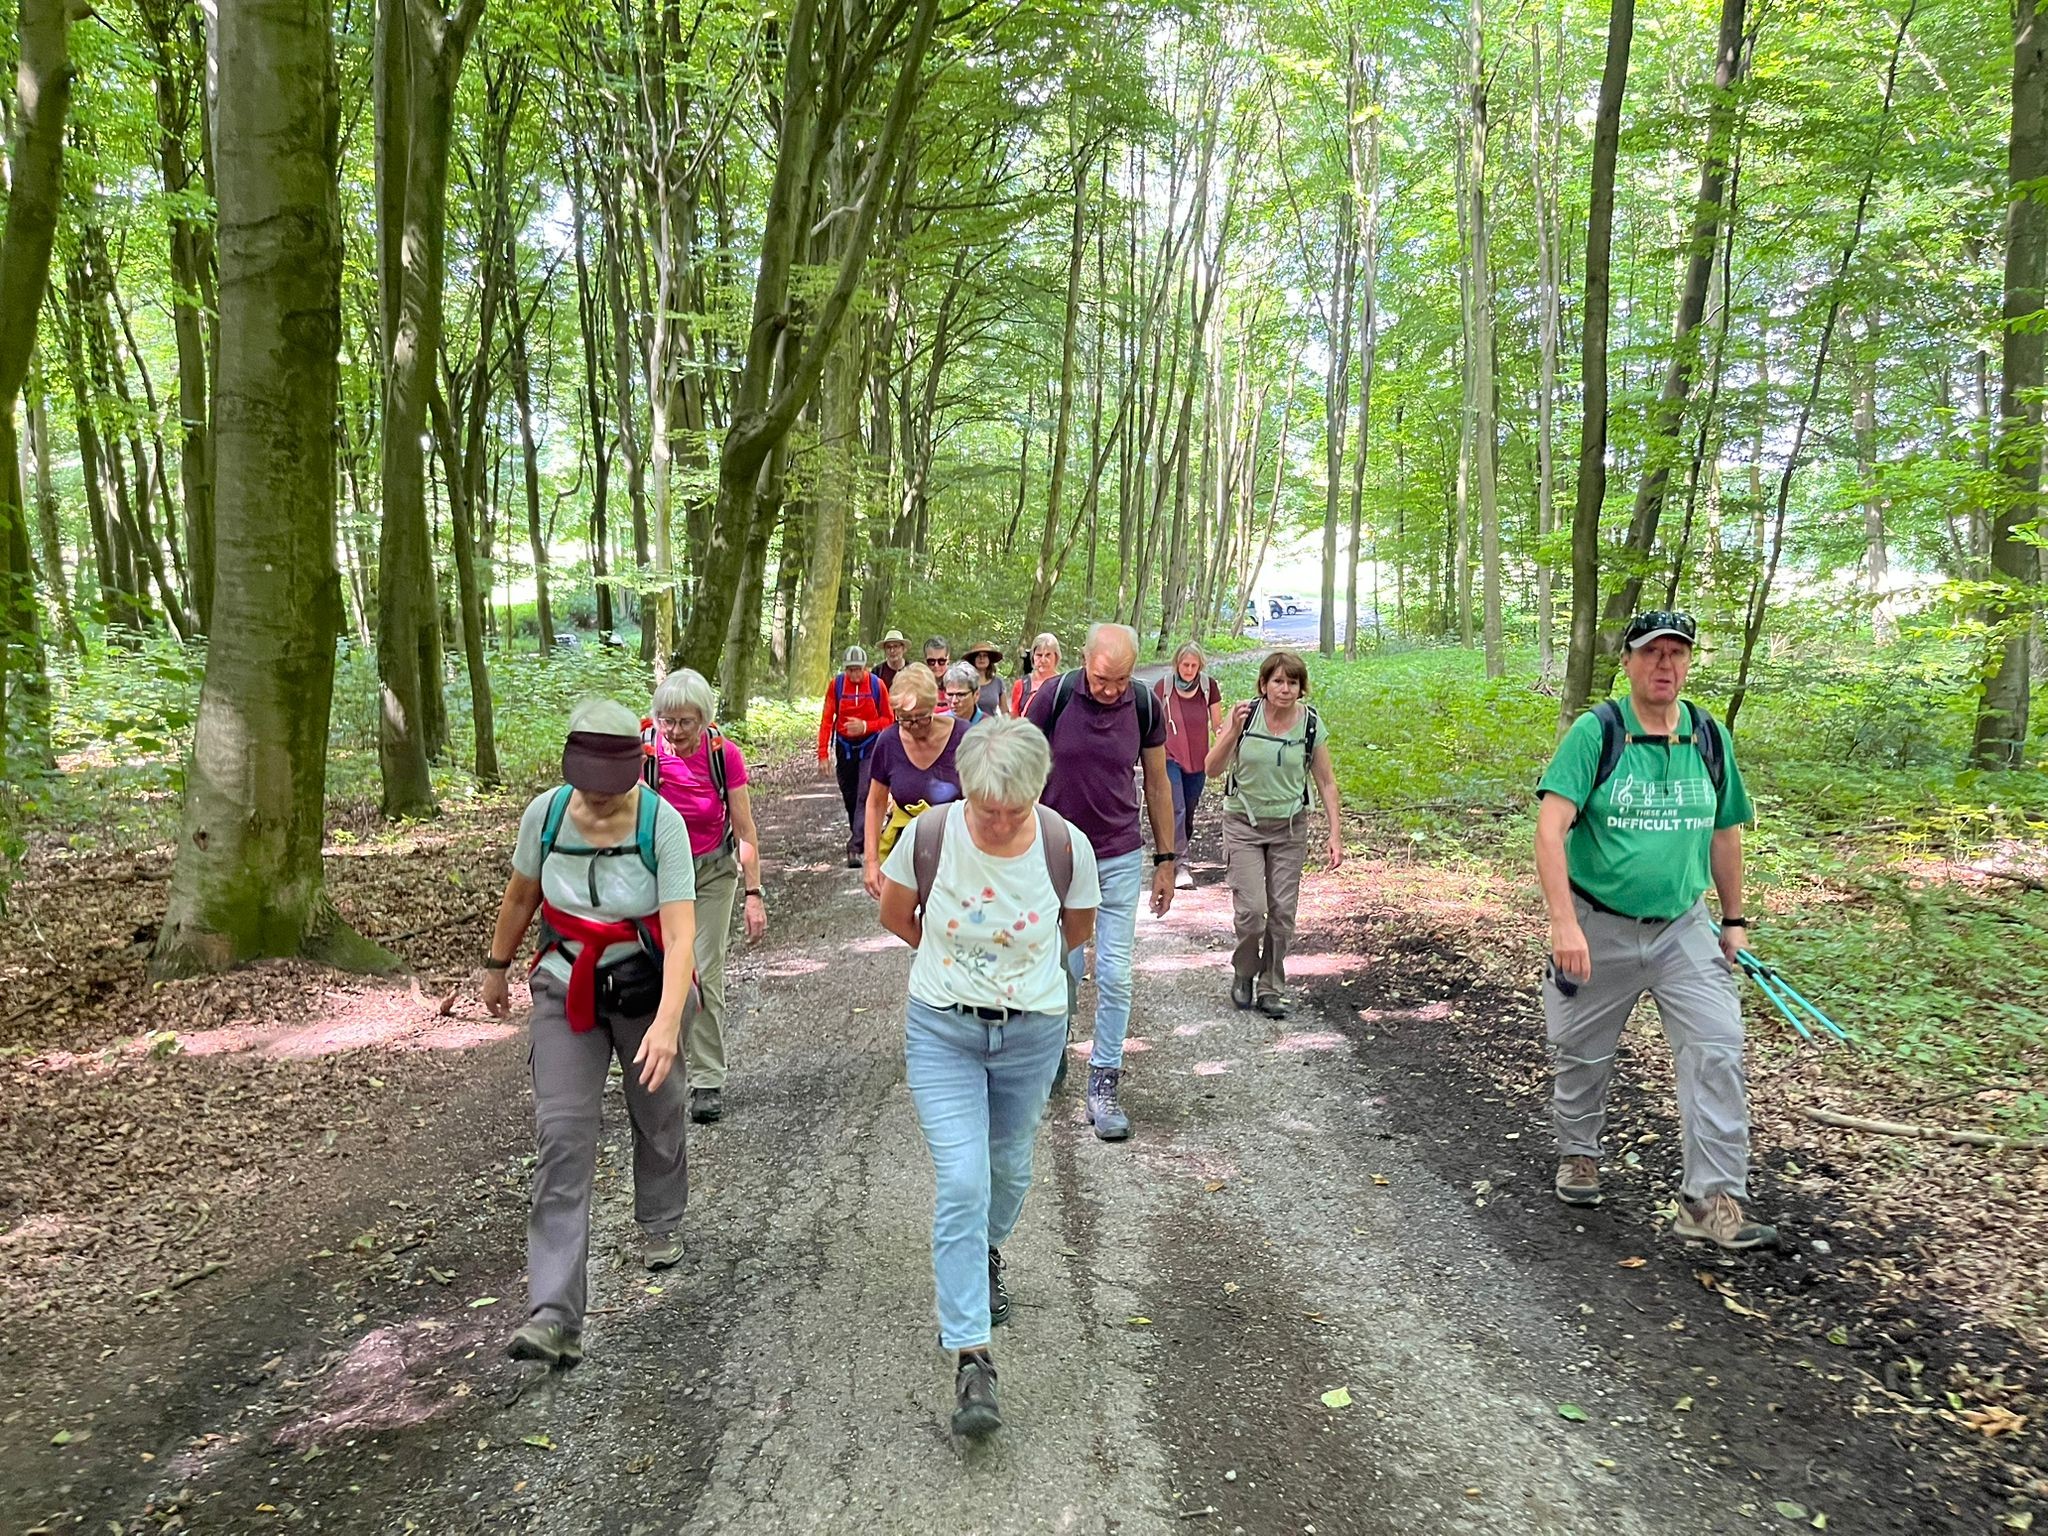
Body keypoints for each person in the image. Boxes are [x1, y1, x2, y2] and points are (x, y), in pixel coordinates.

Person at [877, 717, 1101, 1439]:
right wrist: (951, 968)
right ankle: (973, 1356)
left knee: (1008, 1171)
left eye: (1015, 809)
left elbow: (1076, 929)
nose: (1000, 822)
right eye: (987, 809)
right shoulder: (930, 836)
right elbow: (894, 912)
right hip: (942, 1030)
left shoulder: (1066, 845)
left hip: (1031, 1034)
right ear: (965, 791)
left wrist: (1016, 978)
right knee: (963, 1182)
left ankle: (985, 1248)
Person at [1534, 609, 1775, 1252]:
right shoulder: (1597, 732)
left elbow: (1725, 831)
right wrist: (1564, 923)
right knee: (1581, 1050)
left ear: (1689, 662)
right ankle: (1579, 1152)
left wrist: (1734, 920)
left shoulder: (1708, 735)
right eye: (1651, 652)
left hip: (1683, 928)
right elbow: (1550, 830)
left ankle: (1710, 1200)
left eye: (1677, 653)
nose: (1665, 665)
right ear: (1629, 662)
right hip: (1597, 924)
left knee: (1717, 1045)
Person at [481, 698, 698, 1368]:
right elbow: (522, 895)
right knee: (562, 1136)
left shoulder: (661, 823)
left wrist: (668, 1023)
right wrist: (496, 965)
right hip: (565, 982)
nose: (600, 801)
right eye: (590, 786)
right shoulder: (545, 816)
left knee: (657, 1109)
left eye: (613, 787)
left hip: (646, 982)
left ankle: (659, 1221)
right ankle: (553, 1315)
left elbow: (682, 933)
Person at [1024, 621, 1177, 1140]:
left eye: (1121, 680)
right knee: (1060, 967)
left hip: (1117, 855)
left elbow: (1158, 782)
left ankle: (1104, 1081)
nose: (1111, 690)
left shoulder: (1145, 705)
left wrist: (1166, 858)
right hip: (1055, 854)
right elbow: (1018, 767)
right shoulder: (1055, 696)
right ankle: (1052, 1047)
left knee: (1114, 973)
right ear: (1085, 660)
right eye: (1102, 679)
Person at [648, 668, 767, 1125]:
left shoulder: (723, 755)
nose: (675, 731)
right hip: (660, 878)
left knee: (702, 971)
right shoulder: (646, 755)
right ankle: (659, 1070)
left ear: (704, 719)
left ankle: (707, 1079)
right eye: (667, 721)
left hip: (713, 873)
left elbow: (745, 829)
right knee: (656, 972)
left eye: (685, 722)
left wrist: (753, 894)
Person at [1206, 650, 1344, 1020]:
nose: (1285, 689)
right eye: (1278, 681)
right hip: (1243, 824)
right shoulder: (1244, 716)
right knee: (1252, 911)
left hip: (1289, 827)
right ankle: (1245, 970)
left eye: (1292, 683)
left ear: (1301, 688)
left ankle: (1271, 987)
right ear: (1264, 684)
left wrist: (1335, 834)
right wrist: (1232, 732)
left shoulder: (1310, 724)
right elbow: (1212, 769)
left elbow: (1326, 782)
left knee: (1282, 913)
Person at [862, 664, 970, 899]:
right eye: (904, 719)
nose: (913, 726)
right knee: (901, 916)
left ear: (934, 707)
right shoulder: (888, 742)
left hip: (959, 853)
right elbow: (875, 803)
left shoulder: (965, 738)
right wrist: (871, 861)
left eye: (921, 718)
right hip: (907, 853)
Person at [1154, 641, 1225, 891]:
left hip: (1198, 759)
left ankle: (1173, 852)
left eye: (1194, 666)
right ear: (1177, 663)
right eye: (1185, 665)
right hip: (1170, 756)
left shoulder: (1208, 687)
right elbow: (1153, 724)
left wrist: (1225, 743)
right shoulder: (1163, 687)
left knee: (1188, 810)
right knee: (1177, 808)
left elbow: (1217, 724)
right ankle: (1181, 865)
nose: (1189, 670)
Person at [818, 645, 894, 868]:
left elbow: (888, 720)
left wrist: (865, 726)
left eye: (858, 669)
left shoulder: (877, 685)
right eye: (850, 670)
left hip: (870, 746)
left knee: (864, 793)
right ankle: (860, 833)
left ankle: (855, 846)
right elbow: (826, 720)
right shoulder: (837, 685)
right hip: (844, 747)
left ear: (865, 667)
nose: (854, 674)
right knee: (850, 795)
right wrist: (823, 754)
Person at [1012, 632, 1062, 716]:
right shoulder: (1021, 685)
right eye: (1039, 655)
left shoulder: (1064, 685)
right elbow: (1014, 718)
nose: (1043, 660)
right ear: (1033, 656)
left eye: (1048, 655)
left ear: (1056, 657)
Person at [961, 641, 1009, 719]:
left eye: (985, 655)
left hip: (992, 724)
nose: (981, 658)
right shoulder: (965, 682)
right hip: (969, 725)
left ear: (989, 659)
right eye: (978, 655)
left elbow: (1005, 711)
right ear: (973, 659)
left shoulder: (998, 682)